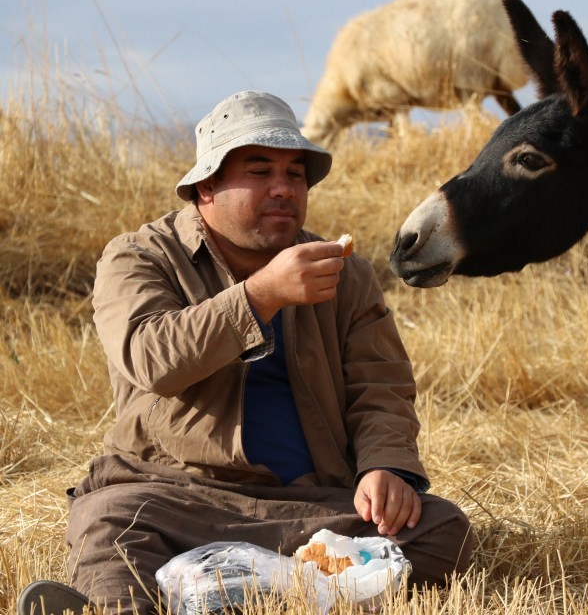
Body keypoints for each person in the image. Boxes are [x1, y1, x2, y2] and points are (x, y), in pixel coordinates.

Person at [17, 90, 473, 615]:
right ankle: (259, 591)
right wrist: (262, 295)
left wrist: (387, 468)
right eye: (260, 172)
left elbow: (381, 387)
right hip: (174, 497)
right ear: (206, 187)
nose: (283, 188)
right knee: (111, 528)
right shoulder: (138, 257)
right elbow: (151, 359)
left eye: (295, 175)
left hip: (307, 505)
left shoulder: (346, 273)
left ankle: (234, 590)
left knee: (442, 529)